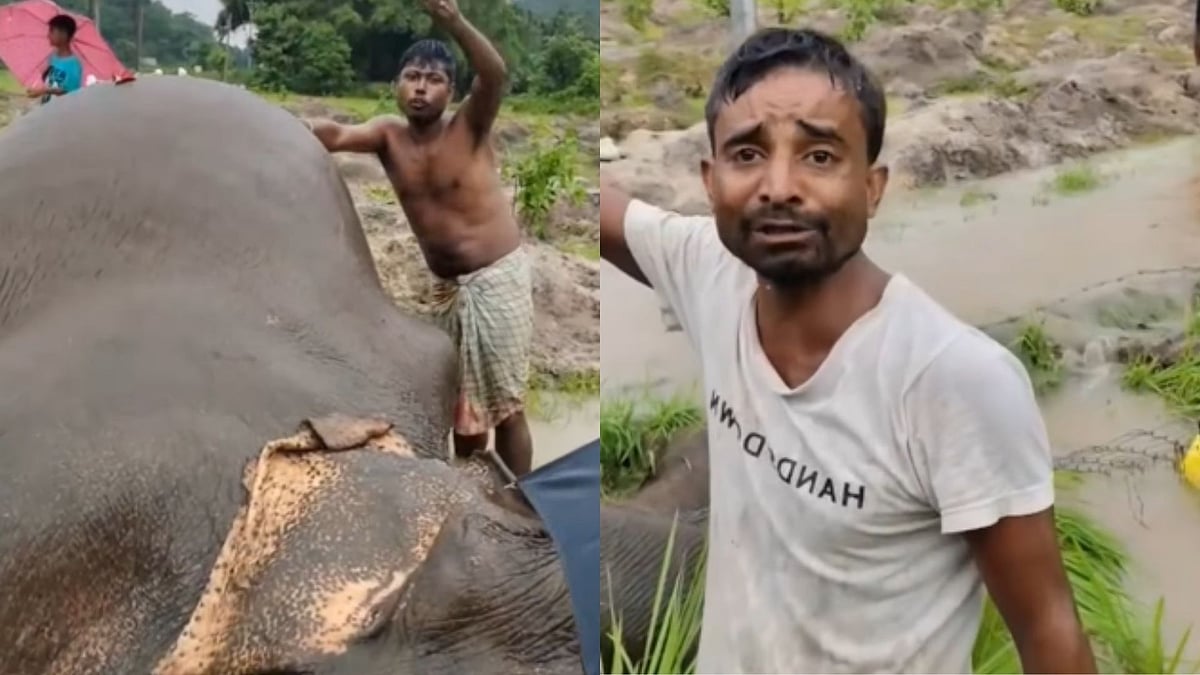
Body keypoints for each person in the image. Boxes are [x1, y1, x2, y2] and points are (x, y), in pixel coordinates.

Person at [599, 27, 1097, 674]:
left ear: (874, 185)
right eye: (747, 154)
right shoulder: (708, 270)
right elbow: (605, 211)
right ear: (709, 179)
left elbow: (1048, 629)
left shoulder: (955, 378)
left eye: (820, 156)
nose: (778, 186)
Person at [306, 0, 534, 476]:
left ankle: (528, 501)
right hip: (445, 290)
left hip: (497, 279)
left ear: (451, 91)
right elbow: (333, 134)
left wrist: (453, 21)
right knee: (462, 415)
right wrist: (277, 123)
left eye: (433, 80)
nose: (420, 88)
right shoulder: (388, 136)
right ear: (396, 86)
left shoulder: (468, 127)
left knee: (506, 405)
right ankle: (475, 503)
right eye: (412, 77)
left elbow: (494, 76)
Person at [26, 14, 83, 104]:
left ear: (64, 34)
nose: (48, 35)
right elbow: (52, 82)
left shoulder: (73, 64)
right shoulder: (53, 58)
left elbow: (68, 91)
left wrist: (44, 90)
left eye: (52, 31)